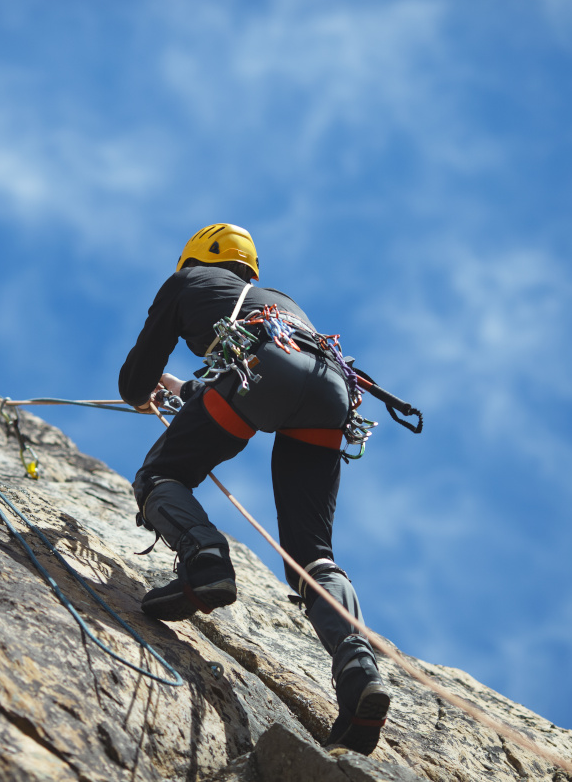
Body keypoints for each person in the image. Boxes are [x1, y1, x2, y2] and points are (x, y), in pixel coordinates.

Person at [118, 223, 390, 755]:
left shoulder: (188, 281)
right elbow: (263, 376)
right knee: (312, 553)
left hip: (263, 369)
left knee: (159, 476)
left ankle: (207, 563)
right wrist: (181, 389)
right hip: (329, 386)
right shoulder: (279, 300)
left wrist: (147, 389)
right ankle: (358, 670)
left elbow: (133, 384)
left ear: (193, 258)